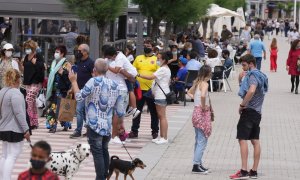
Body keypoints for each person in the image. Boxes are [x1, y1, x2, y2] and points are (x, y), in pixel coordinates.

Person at [69, 58, 124, 180]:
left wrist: (73, 81)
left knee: (98, 153)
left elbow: (79, 97)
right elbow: (120, 111)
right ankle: (105, 176)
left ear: (94, 69)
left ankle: (100, 178)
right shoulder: (115, 85)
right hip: (107, 125)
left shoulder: (93, 81)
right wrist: (120, 125)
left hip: (94, 125)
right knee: (104, 150)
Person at [230, 54, 268, 179]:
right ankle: (254, 171)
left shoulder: (252, 75)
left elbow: (251, 90)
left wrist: (242, 105)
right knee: (255, 140)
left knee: (242, 139)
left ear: (251, 63)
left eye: (245, 65)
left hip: (249, 111)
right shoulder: (261, 75)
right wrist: (240, 80)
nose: (243, 68)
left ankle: (244, 170)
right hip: (257, 112)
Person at [0, 69, 30, 180]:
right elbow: (19, 113)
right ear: (18, 79)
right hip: (14, 128)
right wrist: (26, 129)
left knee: (5, 155)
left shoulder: (2, 91)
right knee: (12, 156)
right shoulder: (16, 93)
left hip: (3, 127)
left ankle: (2, 177)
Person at [104, 46, 138, 144]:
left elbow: (116, 71)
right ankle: (114, 136)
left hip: (112, 89)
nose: (110, 59)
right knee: (118, 114)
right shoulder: (115, 60)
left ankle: (116, 135)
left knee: (115, 114)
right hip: (120, 89)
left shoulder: (118, 59)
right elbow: (117, 71)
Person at [137, 52, 171, 144]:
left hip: (161, 95)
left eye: (159, 59)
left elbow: (151, 77)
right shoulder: (165, 69)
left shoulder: (163, 69)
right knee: (161, 116)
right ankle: (162, 136)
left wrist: (139, 74)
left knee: (162, 116)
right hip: (160, 94)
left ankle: (164, 137)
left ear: (164, 60)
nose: (157, 60)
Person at [129, 43, 159, 139]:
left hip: (151, 90)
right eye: (145, 45)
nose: (146, 47)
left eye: (149, 46)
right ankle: (134, 131)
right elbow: (133, 69)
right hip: (139, 89)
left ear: (153, 48)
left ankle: (155, 131)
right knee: (137, 111)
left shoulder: (156, 59)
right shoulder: (138, 58)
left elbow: (159, 74)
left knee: (153, 112)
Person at [187, 65, 212, 174]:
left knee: (198, 139)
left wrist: (196, 101)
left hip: (195, 113)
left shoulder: (197, 82)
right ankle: (196, 165)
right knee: (202, 140)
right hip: (201, 113)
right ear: (208, 74)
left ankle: (198, 163)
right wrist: (202, 105)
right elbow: (202, 96)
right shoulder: (205, 84)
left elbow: (188, 92)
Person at [45, 45, 72, 133]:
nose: (55, 54)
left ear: (62, 54)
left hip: (62, 90)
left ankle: (58, 125)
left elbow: (70, 78)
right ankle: (54, 125)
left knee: (61, 108)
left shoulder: (67, 64)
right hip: (53, 89)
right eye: (55, 52)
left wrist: (63, 73)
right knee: (53, 108)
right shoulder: (53, 63)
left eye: (57, 52)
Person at [69, 44, 94, 138]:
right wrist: (72, 88)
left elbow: (94, 76)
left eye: (79, 51)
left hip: (88, 91)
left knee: (81, 110)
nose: (77, 53)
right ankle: (83, 130)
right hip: (79, 90)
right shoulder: (78, 62)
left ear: (85, 52)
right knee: (81, 111)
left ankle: (80, 130)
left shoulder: (91, 63)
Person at [22, 40, 45, 129]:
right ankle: (34, 122)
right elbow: (24, 68)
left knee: (28, 100)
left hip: (36, 82)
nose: (26, 50)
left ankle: (29, 122)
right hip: (28, 82)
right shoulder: (26, 56)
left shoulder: (37, 56)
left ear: (32, 48)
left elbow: (42, 67)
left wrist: (36, 64)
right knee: (32, 102)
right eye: (26, 48)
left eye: (28, 48)